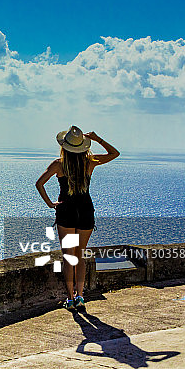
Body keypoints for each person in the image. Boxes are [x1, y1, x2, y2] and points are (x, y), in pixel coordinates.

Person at [35, 126, 119, 310]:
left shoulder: (58, 164)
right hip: (85, 211)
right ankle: (80, 296)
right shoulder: (90, 162)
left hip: (66, 211)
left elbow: (39, 183)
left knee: (68, 257)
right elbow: (114, 153)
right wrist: (98, 139)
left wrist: (49, 203)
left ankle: (70, 299)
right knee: (79, 255)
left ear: (64, 146)